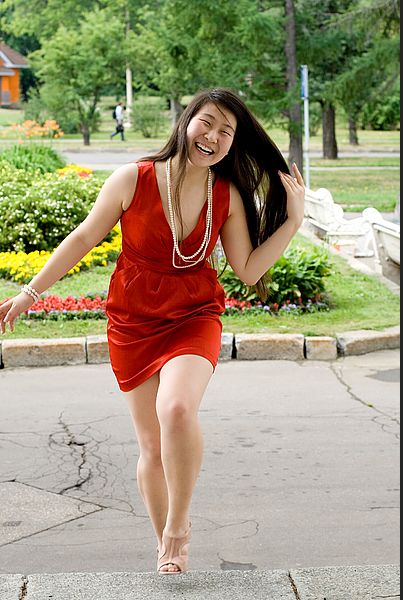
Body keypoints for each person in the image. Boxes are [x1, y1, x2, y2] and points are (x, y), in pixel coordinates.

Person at [0, 88, 305, 574]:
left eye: (227, 132)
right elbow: (83, 236)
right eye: (208, 123)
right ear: (188, 121)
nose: (215, 137)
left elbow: (247, 269)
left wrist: (291, 221)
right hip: (133, 320)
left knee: (177, 407)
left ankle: (179, 527)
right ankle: (167, 545)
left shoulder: (223, 194)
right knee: (151, 446)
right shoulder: (133, 178)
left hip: (193, 315)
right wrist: (30, 293)